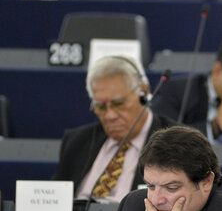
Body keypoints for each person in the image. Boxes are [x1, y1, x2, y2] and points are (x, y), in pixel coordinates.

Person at [52, 55, 174, 202]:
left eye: (118, 104)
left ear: (144, 93)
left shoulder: (175, 143)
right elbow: (54, 203)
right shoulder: (77, 141)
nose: (110, 116)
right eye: (100, 107)